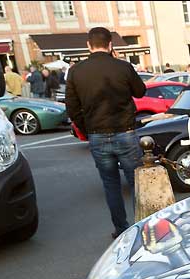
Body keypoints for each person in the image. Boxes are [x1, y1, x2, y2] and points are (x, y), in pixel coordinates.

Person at [65, 26, 146, 239]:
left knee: (111, 184)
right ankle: (144, 227)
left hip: (97, 133)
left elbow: (72, 108)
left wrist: (87, 128)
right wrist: (120, 65)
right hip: (125, 130)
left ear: (88, 45)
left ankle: (121, 228)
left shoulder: (76, 71)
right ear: (111, 45)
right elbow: (140, 91)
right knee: (136, 181)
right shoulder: (123, 67)